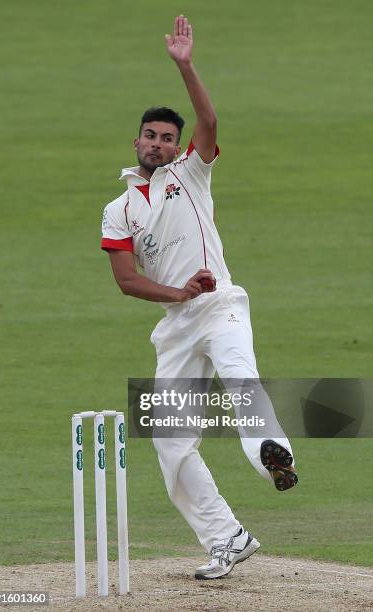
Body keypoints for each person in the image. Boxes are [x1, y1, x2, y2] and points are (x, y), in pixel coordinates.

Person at [101, 15, 298, 580]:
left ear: (175, 145)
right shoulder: (118, 211)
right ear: (136, 140)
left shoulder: (191, 174)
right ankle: (227, 537)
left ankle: (273, 458)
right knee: (169, 442)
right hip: (177, 325)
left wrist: (185, 65)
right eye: (151, 136)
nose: (159, 144)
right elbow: (126, 281)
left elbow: (209, 121)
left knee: (241, 378)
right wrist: (178, 292)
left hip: (222, 307)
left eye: (168, 137)